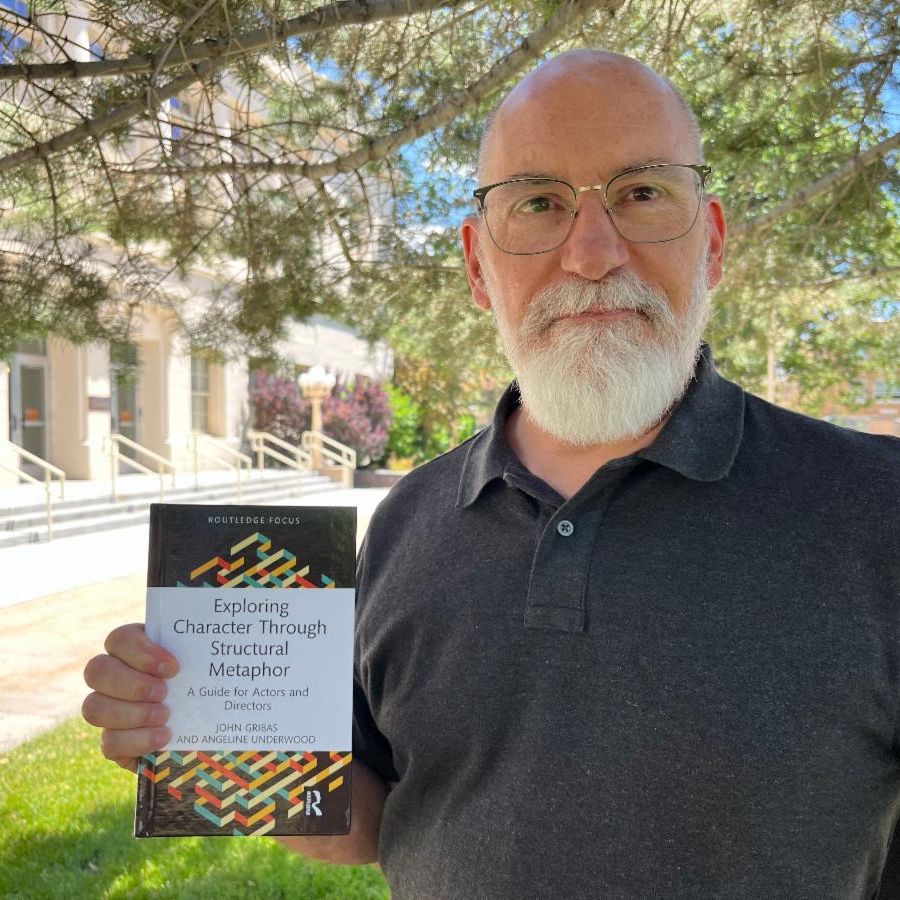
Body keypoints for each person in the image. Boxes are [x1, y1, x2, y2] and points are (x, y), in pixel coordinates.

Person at [83, 50, 900, 898]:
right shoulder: (407, 521)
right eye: (539, 203)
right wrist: (216, 739)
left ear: (713, 243)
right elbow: (380, 817)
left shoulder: (878, 512)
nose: (593, 253)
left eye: (642, 193)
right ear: (478, 265)